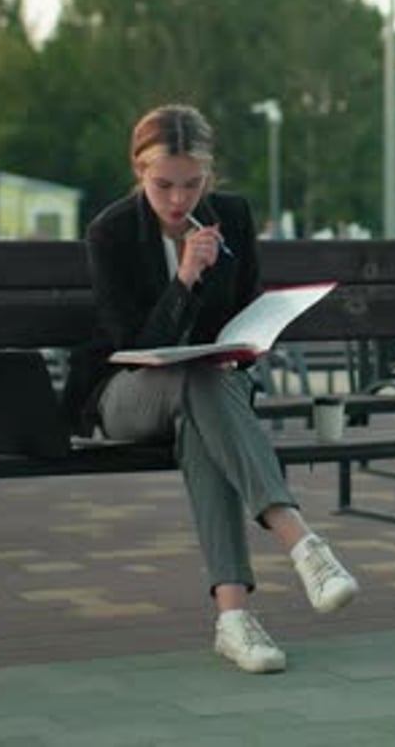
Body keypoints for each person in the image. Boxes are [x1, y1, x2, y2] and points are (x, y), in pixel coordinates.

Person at [67, 103, 359, 674]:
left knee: (204, 412)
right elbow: (131, 343)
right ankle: (302, 542)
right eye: (164, 185)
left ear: (210, 175)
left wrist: (257, 331)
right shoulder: (112, 231)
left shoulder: (232, 216)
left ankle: (234, 619)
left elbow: (247, 308)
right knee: (197, 381)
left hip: (209, 389)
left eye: (193, 184)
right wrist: (184, 281)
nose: (179, 200)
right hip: (122, 395)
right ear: (138, 171)